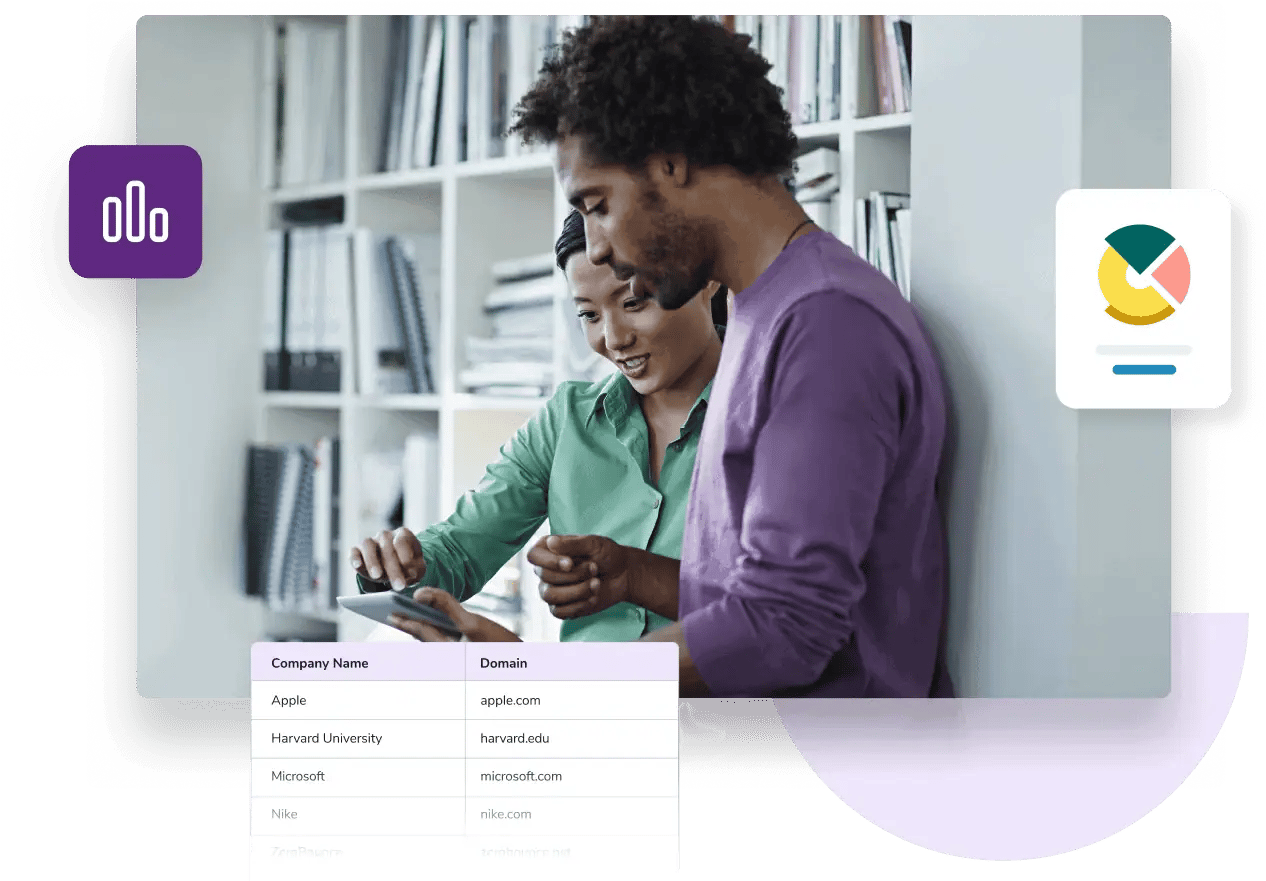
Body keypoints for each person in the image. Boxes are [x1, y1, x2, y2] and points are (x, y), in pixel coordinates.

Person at [482, 14, 953, 699]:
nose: (599, 247)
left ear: (670, 163)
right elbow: (756, 588)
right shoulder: (761, 307)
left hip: (815, 764)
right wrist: (633, 576)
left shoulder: (825, 324)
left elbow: (786, 624)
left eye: (597, 204)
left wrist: (548, 681)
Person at [351, 209, 725, 644]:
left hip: (722, 710)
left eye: (633, 302)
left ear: (706, 279)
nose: (614, 337)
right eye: (588, 314)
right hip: (578, 706)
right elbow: (461, 548)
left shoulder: (772, 415)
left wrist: (637, 576)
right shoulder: (566, 420)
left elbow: (781, 605)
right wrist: (401, 568)